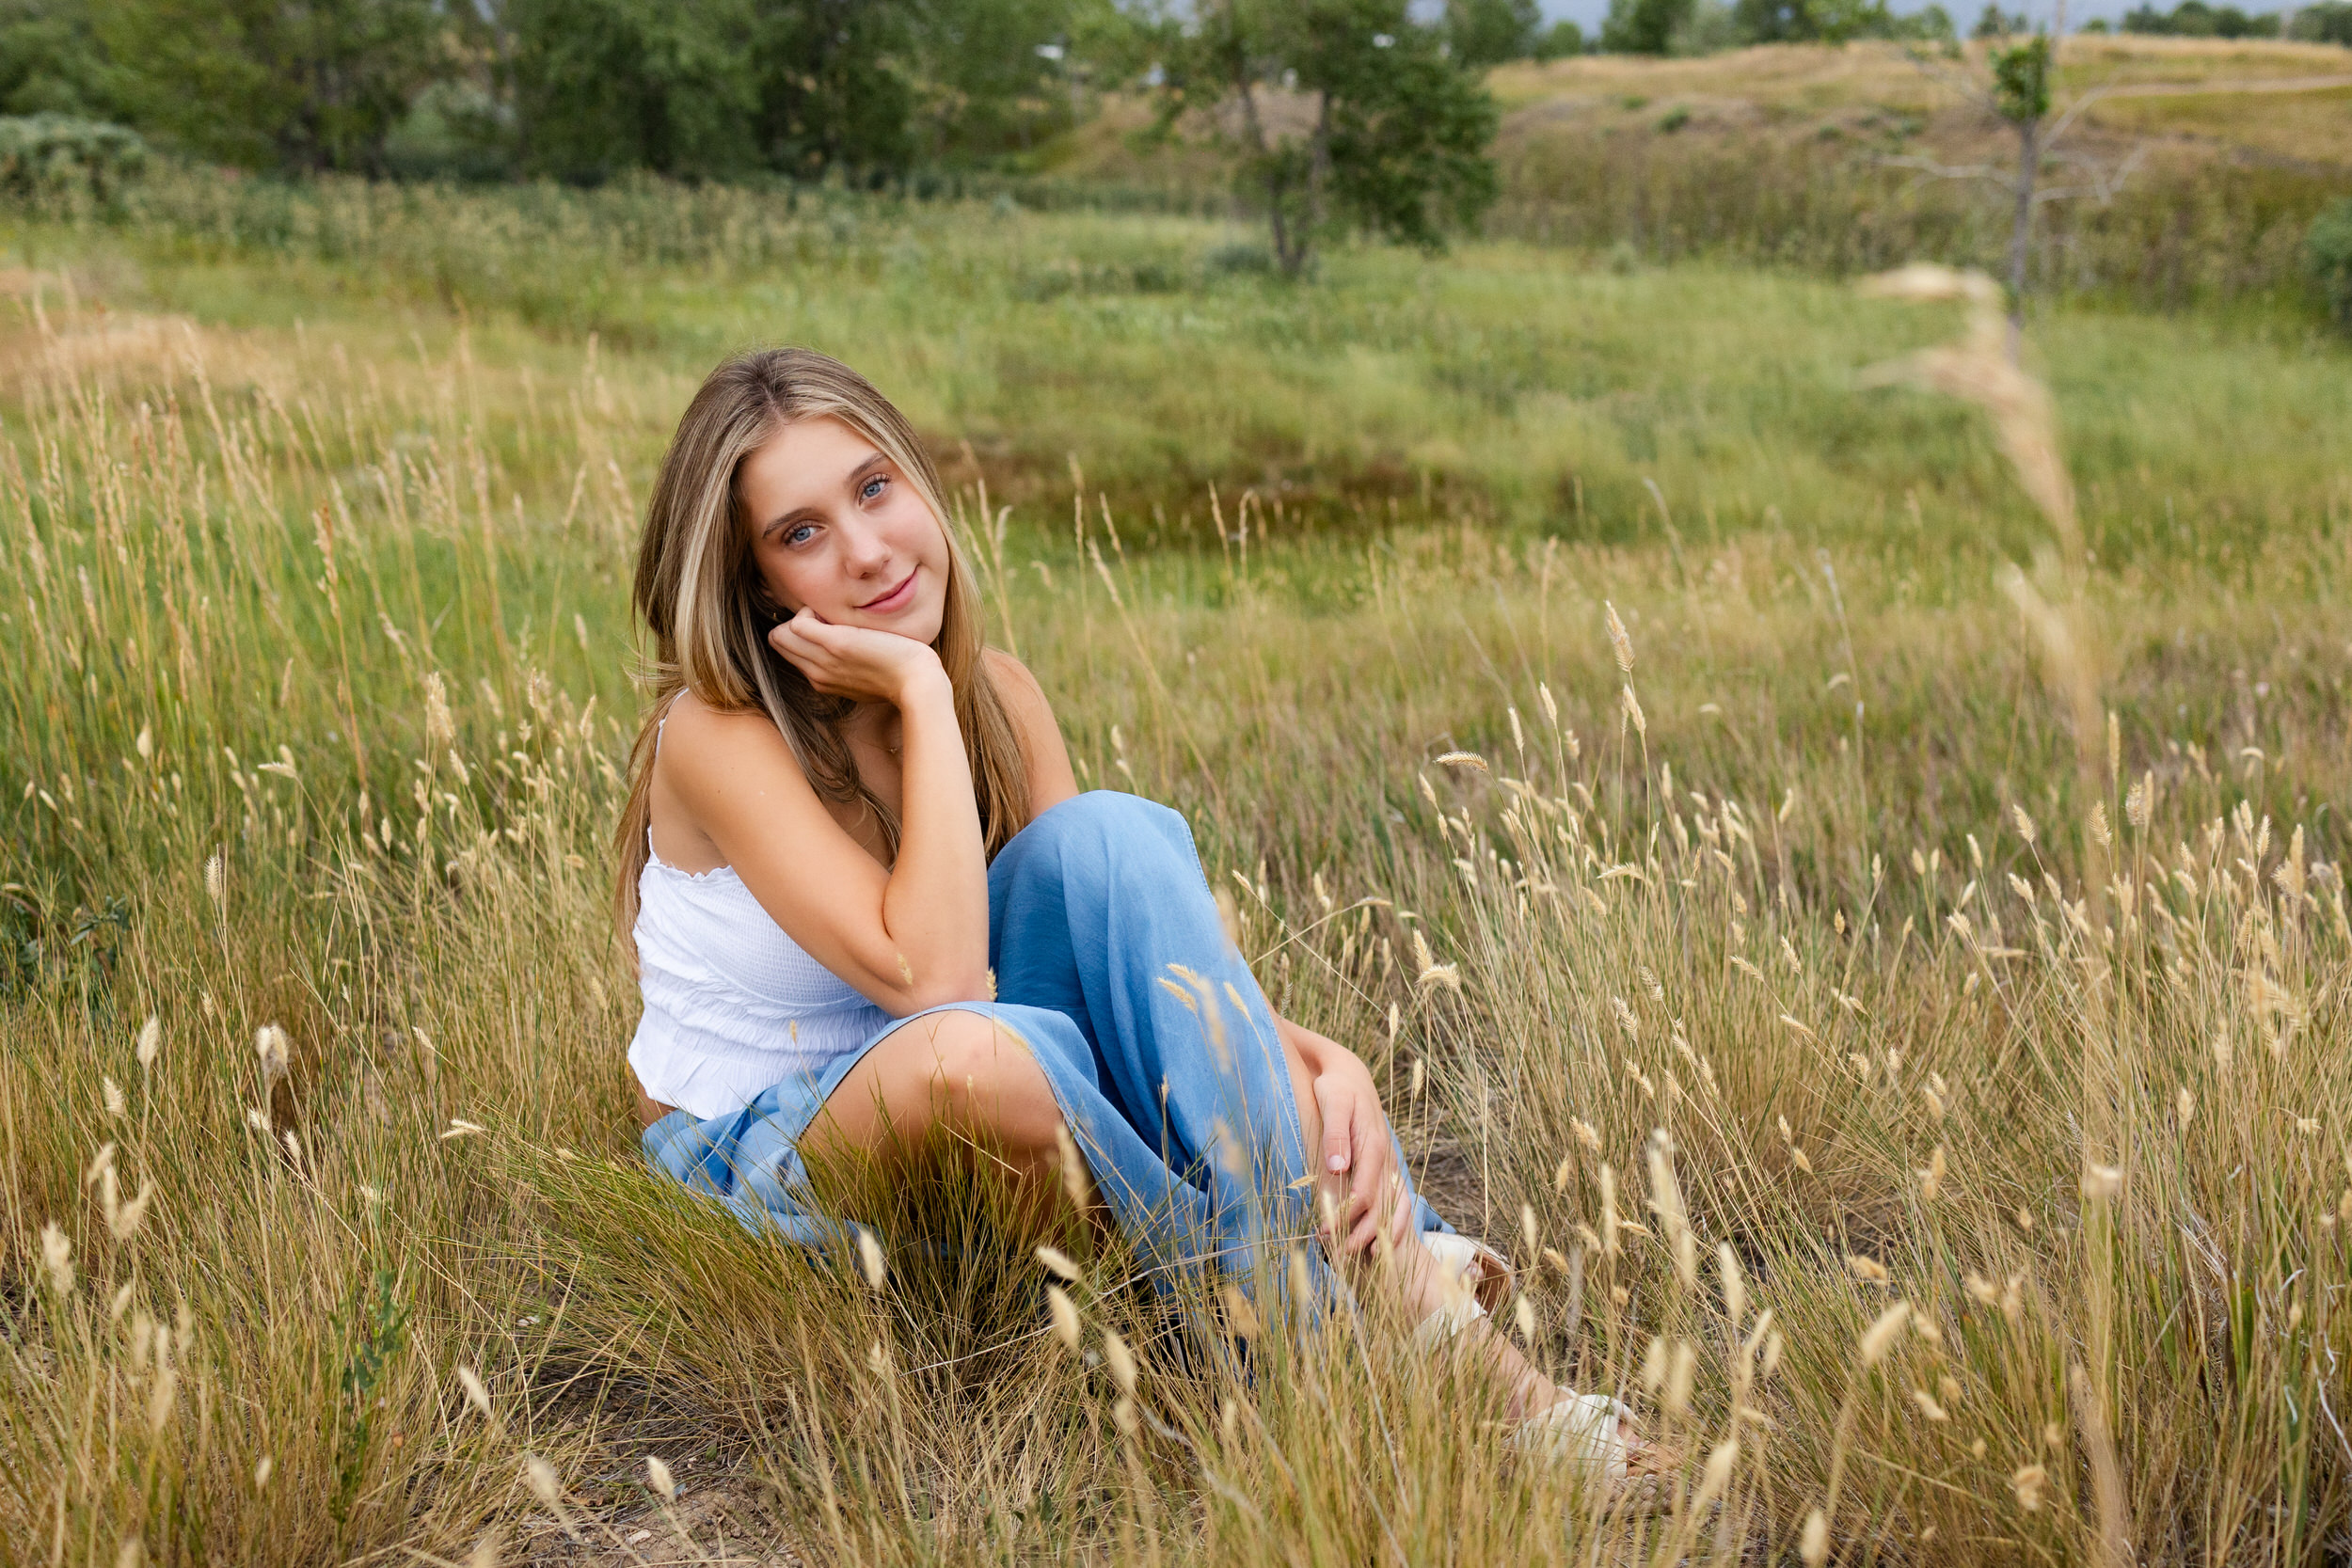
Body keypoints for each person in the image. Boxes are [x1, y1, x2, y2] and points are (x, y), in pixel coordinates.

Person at [615, 347, 1662, 1491]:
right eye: (802, 532)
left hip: (1008, 1102)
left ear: (919, 482)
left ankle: (1409, 1337)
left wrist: (1316, 1058)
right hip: (768, 1158)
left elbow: (1113, 954)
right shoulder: (717, 734)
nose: (866, 548)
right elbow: (937, 985)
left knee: (1104, 839)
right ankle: (1337, 1336)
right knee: (989, 1055)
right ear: (759, 582)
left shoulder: (999, 694)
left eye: (875, 488)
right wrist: (917, 693)